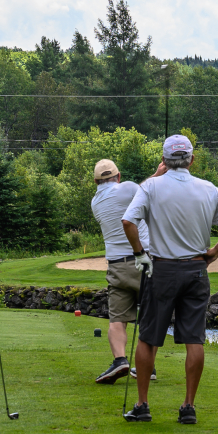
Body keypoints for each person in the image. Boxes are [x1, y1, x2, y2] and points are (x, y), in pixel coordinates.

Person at [120, 135, 218, 424]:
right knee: (194, 338)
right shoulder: (208, 188)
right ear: (192, 159)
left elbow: (128, 221)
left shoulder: (150, 186)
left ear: (164, 161)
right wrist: (215, 251)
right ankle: (188, 406)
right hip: (196, 271)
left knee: (149, 337)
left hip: (161, 270)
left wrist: (139, 254)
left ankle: (142, 405)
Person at [88, 157, 155, 384]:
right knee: (149, 317)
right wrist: (158, 172)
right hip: (143, 260)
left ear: (96, 181)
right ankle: (148, 367)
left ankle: (120, 360)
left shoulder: (95, 202)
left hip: (116, 265)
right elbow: (148, 190)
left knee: (117, 319)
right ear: (118, 176)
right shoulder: (127, 187)